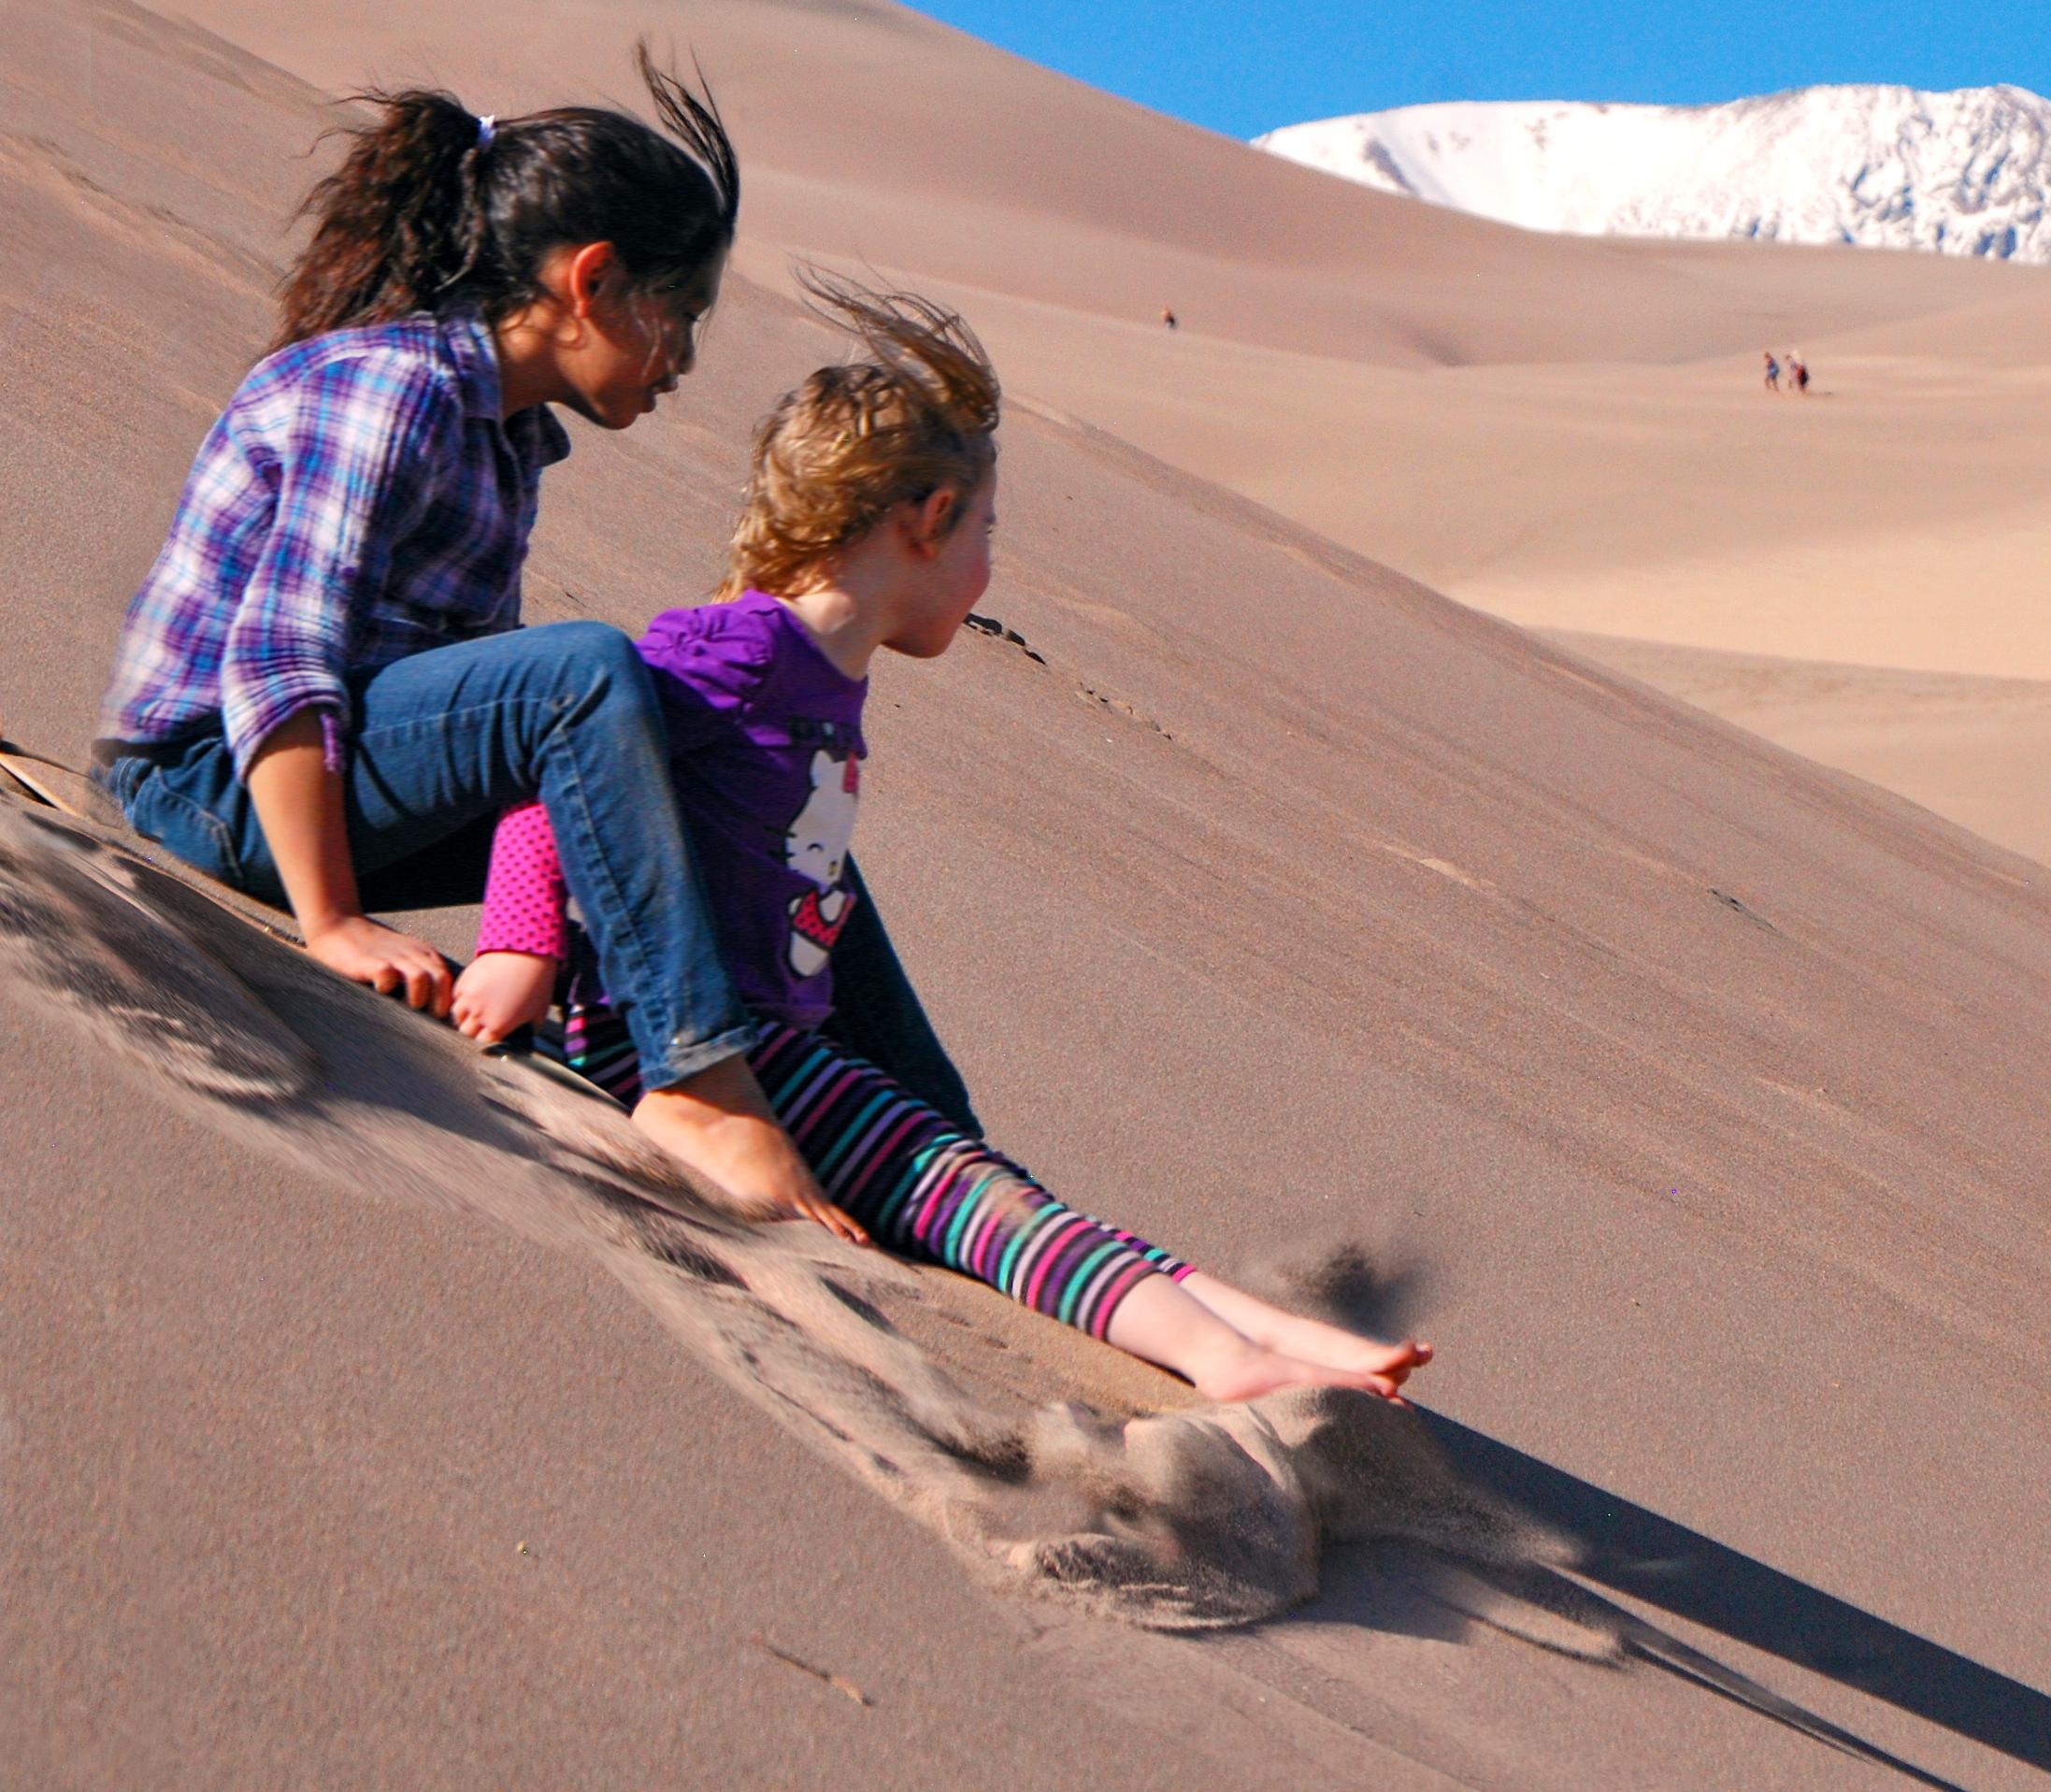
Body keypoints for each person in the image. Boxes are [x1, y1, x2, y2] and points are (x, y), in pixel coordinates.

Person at [449, 276, 1428, 1403]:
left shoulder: (821, 669)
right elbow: (562, 769)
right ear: (922, 523)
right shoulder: (739, 650)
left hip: (782, 1047)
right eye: (988, 528)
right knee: (964, 1192)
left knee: (980, 1182)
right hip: (673, 1047)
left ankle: (1270, 1330)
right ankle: (1226, 1358)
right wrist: (518, 944)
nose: (990, 565)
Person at [92, 52, 961, 1238]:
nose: (687, 363)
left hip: (340, 790)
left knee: (767, 800)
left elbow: (502, 744)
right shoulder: (387, 391)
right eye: (683, 318)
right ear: (595, 282)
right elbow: (279, 664)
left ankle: (941, 1143)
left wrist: (526, 937)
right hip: (212, 783)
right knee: (586, 669)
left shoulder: (509, 445)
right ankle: (698, 1081)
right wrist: (332, 922)